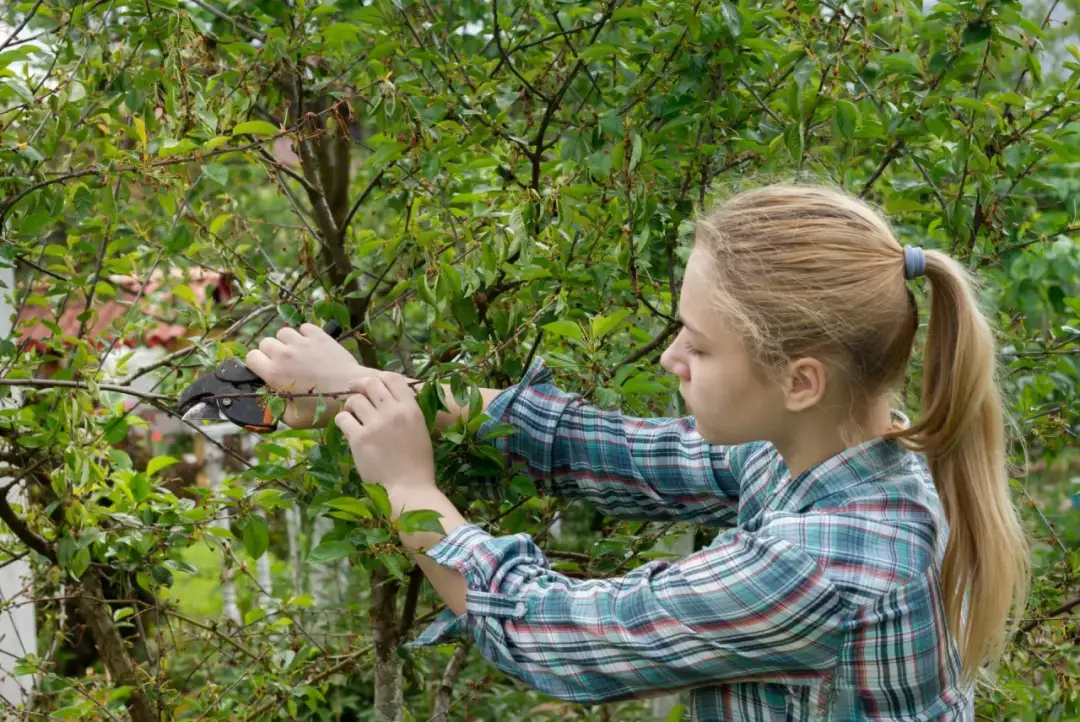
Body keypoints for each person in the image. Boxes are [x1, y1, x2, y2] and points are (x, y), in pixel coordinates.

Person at [245, 183, 1030, 720]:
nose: (670, 359)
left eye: (699, 346)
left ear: (800, 380)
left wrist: (409, 488)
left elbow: (555, 634)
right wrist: (369, 388)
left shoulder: (826, 564)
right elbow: (612, 450)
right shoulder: (825, 455)